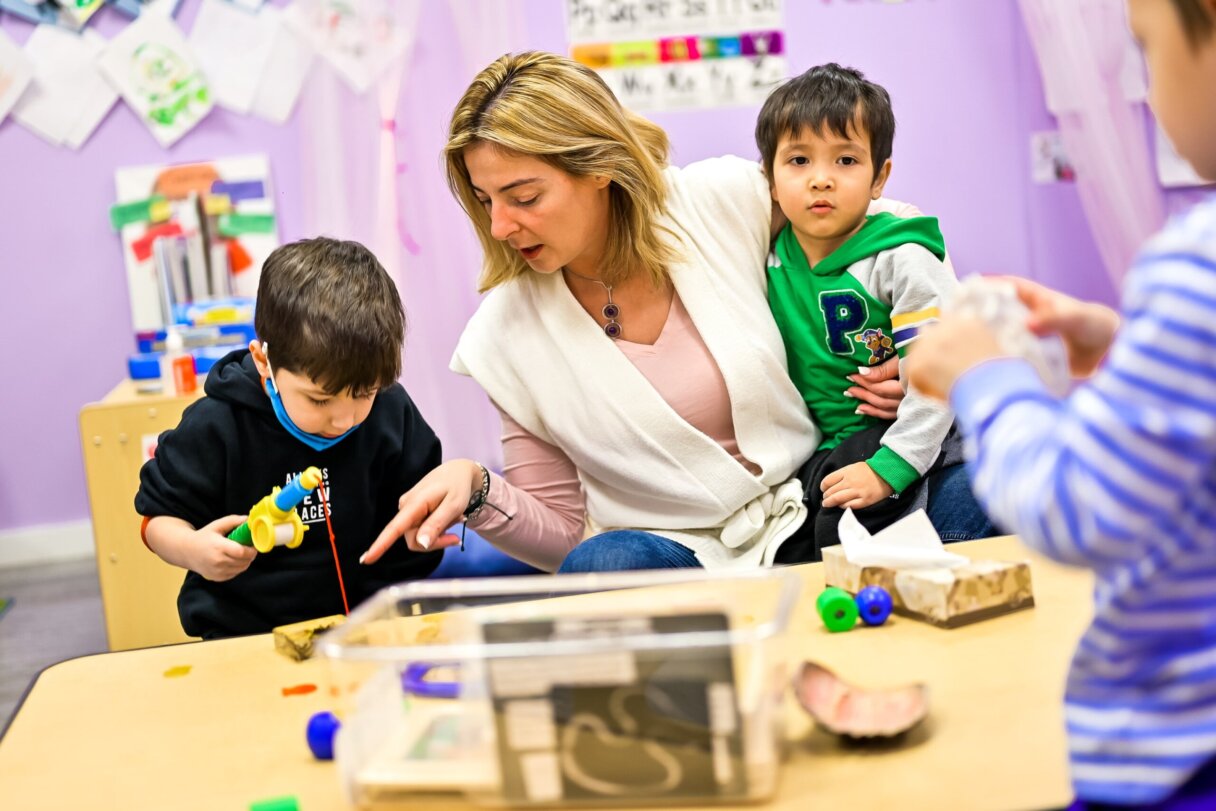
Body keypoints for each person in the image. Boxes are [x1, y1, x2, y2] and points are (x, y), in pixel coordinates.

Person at [361, 51, 992, 574]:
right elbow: (564, 537)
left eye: (524, 196)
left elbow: (867, 217)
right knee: (601, 568)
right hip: (678, 553)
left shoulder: (715, 203)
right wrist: (476, 489)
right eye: (485, 200)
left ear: (600, 166)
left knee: (983, 488)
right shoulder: (505, 336)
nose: (500, 225)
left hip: (813, 498)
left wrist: (910, 351)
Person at [907, 0, 1216, 806]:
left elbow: (1076, 510)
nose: (1146, 86)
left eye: (1146, 50)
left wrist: (984, 377)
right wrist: (1121, 339)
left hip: (1180, 751)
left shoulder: (1195, 266)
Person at [136, 238, 443, 639]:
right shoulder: (216, 425)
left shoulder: (391, 410)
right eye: (319, 399)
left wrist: (424, 527)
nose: (345, 418)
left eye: (364, 393)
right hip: (244, 635)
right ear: (264, 361)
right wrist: (192, 550)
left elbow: (422, 495)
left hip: (369, 628)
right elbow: (156, 517)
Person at [757, 63, 962, 562]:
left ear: (879, 177)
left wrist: (890, 468)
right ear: (769, 177)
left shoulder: (901, 259)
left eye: (846, 160)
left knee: (848, 538)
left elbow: (939, 372)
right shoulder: (767, 257)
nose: (821, 180)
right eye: (799, 160)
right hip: (821, 448)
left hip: (911, 438)